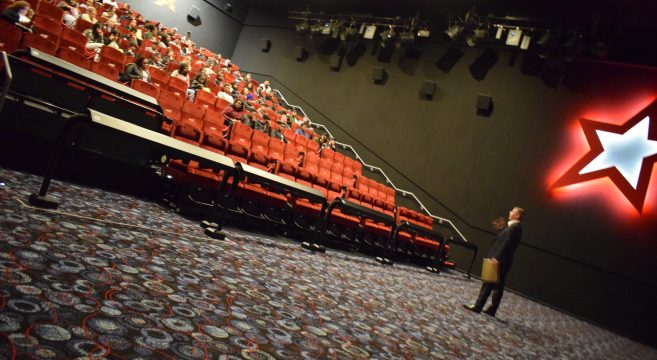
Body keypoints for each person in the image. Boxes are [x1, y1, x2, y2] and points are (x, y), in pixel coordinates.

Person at [463, 207, 525, 317]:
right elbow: (504, 240)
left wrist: (497, 258)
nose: (509, 212)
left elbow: (507, 244)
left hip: (500, 261)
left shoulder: (515, 227)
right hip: (503, 261)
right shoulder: (512, 227)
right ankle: (492, 309)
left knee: (488, 283)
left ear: (517, 216)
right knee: (498, 286)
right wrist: (501, 228)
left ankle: (478, 306)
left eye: (513, 211)